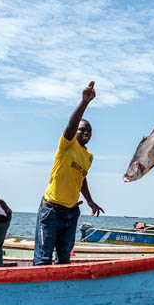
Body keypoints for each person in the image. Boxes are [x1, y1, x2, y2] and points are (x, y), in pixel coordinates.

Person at [34, 81, 105, 265]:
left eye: (90, 131)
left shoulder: (89, 156)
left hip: (71, 213)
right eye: (83, 129)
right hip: (51, 211)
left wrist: (90, 200)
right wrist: (85, 102)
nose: (86, 133)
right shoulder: (67, 145)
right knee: (43, 260)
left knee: (64, 260)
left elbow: (82, 178)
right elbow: (71, 125)